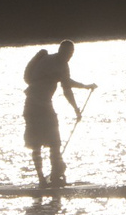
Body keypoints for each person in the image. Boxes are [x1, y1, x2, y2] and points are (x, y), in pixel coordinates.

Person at [22, 40, 95, 187]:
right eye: (67, 53)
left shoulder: (56, 62)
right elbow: (66, 88)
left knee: (53, 143)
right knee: (43, 144)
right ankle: (45, 179)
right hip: (35, 107)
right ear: (61, 51)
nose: (69, 57)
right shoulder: (57, 64)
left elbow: (65, 82)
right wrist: (76, 108)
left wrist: (84, 87)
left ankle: (53, 176)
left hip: (38, 106)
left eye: (71, 54)